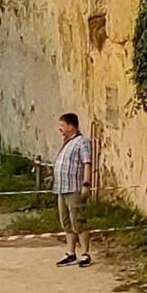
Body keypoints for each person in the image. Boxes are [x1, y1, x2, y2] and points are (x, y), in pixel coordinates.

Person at [54, 112, 95, 268]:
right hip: (62, 189)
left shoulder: (82, 142)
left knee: (79, 221)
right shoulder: (67, 142)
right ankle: (70, 253)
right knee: (66, 222)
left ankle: (85, 253)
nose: (60, 129)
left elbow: (87, 163)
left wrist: (86, 184)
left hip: (74, 188)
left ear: (71, 126)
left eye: (62, 126)